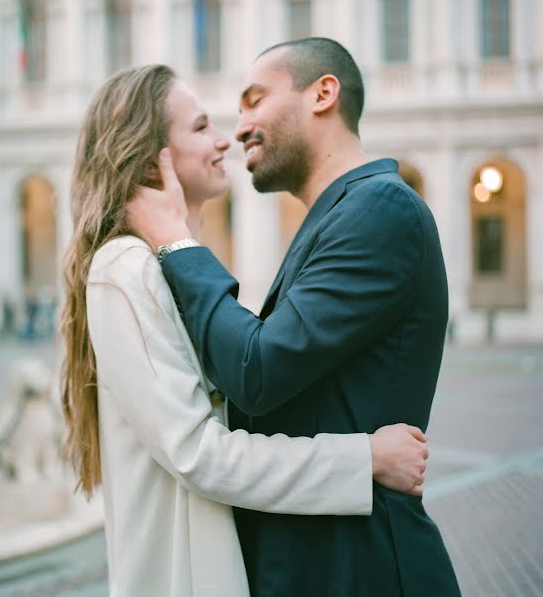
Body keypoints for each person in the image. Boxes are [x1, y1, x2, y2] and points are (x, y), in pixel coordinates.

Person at [60, 64, 431, 597]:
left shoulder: (155, 266)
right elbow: (201, 453)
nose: (223, 140)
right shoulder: (125, 268)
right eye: (200, 127)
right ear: (148, 160)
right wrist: (363, 460)